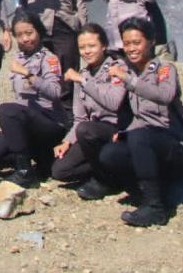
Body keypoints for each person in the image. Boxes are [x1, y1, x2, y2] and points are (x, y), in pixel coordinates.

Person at [97, 17, 183, 227]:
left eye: (136, 43)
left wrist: (130, 81)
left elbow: (164, 96)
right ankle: (147, 192)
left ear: (151, 41)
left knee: (140, 137)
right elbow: (138, 116)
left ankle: (155, 208)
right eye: (127, 44)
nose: (131, 49)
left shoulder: (165, 70)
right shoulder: (131, 71)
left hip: (175, 144)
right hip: (147, 144)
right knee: (110, 154)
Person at [0, 9, 68, 188]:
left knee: (4, 109)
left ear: (38, 31)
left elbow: (56, 92)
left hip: (48, 121)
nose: (25, 39)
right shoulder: (19, 57)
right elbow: (19, 98)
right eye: (20, 35)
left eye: (29, 33)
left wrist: (29, 75)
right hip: (25, 121)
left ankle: (24, 171)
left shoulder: (49, 58)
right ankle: (39, 156)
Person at [51, 23, 129, 198]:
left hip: (116, 131)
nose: (86, 51)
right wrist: (67, 141)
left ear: (104, 46)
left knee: (87, 130)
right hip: (91, 135)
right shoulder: (84, 73)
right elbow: (80, 117)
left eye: (92, 46)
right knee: (60, 171)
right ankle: (105, 169)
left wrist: (83, 82)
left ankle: (106, 180)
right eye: (82, 47)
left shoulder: (118, 68)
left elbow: (114, 102)